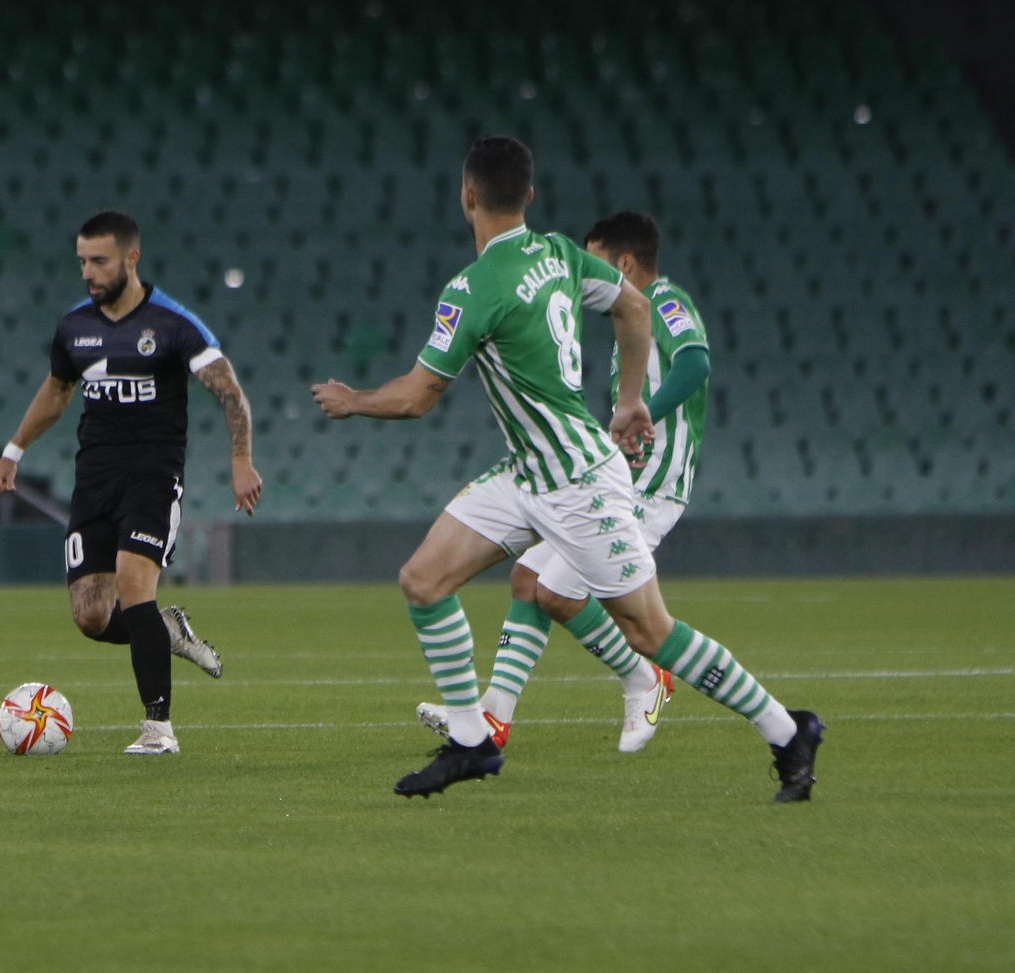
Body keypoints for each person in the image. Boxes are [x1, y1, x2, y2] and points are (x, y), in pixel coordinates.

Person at [310, 136, 823, 801]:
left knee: (650, 632)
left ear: (467, 196)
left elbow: (415, 398)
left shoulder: (471, 288)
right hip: (526, 473)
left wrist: (352, 400)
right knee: (424, 580)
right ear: (528, 195)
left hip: (579, 483)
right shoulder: (558, 252)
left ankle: (788, 731)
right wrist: (631, 400)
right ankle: (472, 742)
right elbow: (633, 307)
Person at [417, 211, 713, 754]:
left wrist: (640, 414)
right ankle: (494, 717)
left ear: (626, 263)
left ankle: (646, 678)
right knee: (529, 579)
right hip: (620, 475)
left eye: (597, 261)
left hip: (652, 483)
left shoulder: (664, 300)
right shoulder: (630, 321)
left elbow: (694, 363)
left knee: (558, 592)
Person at [0, 211, 263, 755]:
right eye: (82, 262)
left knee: (135, 582)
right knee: (91, 616)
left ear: (131, 258)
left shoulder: (173, 324)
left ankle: (158, 729)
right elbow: (57, 391)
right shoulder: (74, 328)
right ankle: (170, 633)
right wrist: (13, 450)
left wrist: (241, 459)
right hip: (94, 478)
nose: (88, 272)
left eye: (99, 261)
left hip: (153, 476)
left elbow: (229, 390)